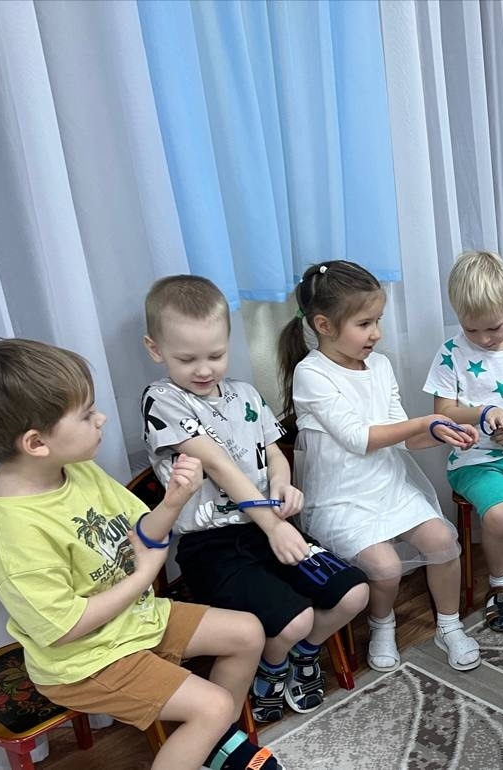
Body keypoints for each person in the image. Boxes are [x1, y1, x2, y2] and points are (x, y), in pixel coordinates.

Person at [0, 338, 284, 770]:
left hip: (134, 620)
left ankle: (214, 745)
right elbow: (65, 628)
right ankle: (211, 732)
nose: (101, 418)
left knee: (248, 632)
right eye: (86, 414)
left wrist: (174, 501)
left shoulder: (75, 470)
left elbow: (140, 535)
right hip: (85, 662)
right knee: (213, 705)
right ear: (36, 443)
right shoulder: (12, 530)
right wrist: (142, 576)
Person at [140, 276, 369, 723]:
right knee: (296, 618)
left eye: (216, 355)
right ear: (155, 349)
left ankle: (302, 652)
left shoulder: (244, 394)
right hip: (213, 548)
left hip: (267, 529)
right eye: (187, 359)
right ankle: (273, 662)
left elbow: (273, 451)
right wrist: (274, 525)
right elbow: (220, 467)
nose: (204, 369)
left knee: (353, 592)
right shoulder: (161, 400)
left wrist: (282, 484)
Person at [278, 260, 482, 673]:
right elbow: (359, 437)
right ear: (324, 325)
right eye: (365, 324)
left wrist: (441, 431)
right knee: (385, 567)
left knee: (442, 539)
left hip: (388, 485)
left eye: (378, 321)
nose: (377, 333)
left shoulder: (381, 365)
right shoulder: (311, 374)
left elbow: (402, 435)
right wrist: (424, 422)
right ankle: (382, 624)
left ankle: (448, 625)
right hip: (339, 499)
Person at [424, 250, 503, 633]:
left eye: (493, 328)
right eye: (471, 330)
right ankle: (501, 585)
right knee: (498, 516)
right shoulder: (451, 354)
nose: (483, 339)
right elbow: (442, 412)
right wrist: (482, 412)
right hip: (474, 460)